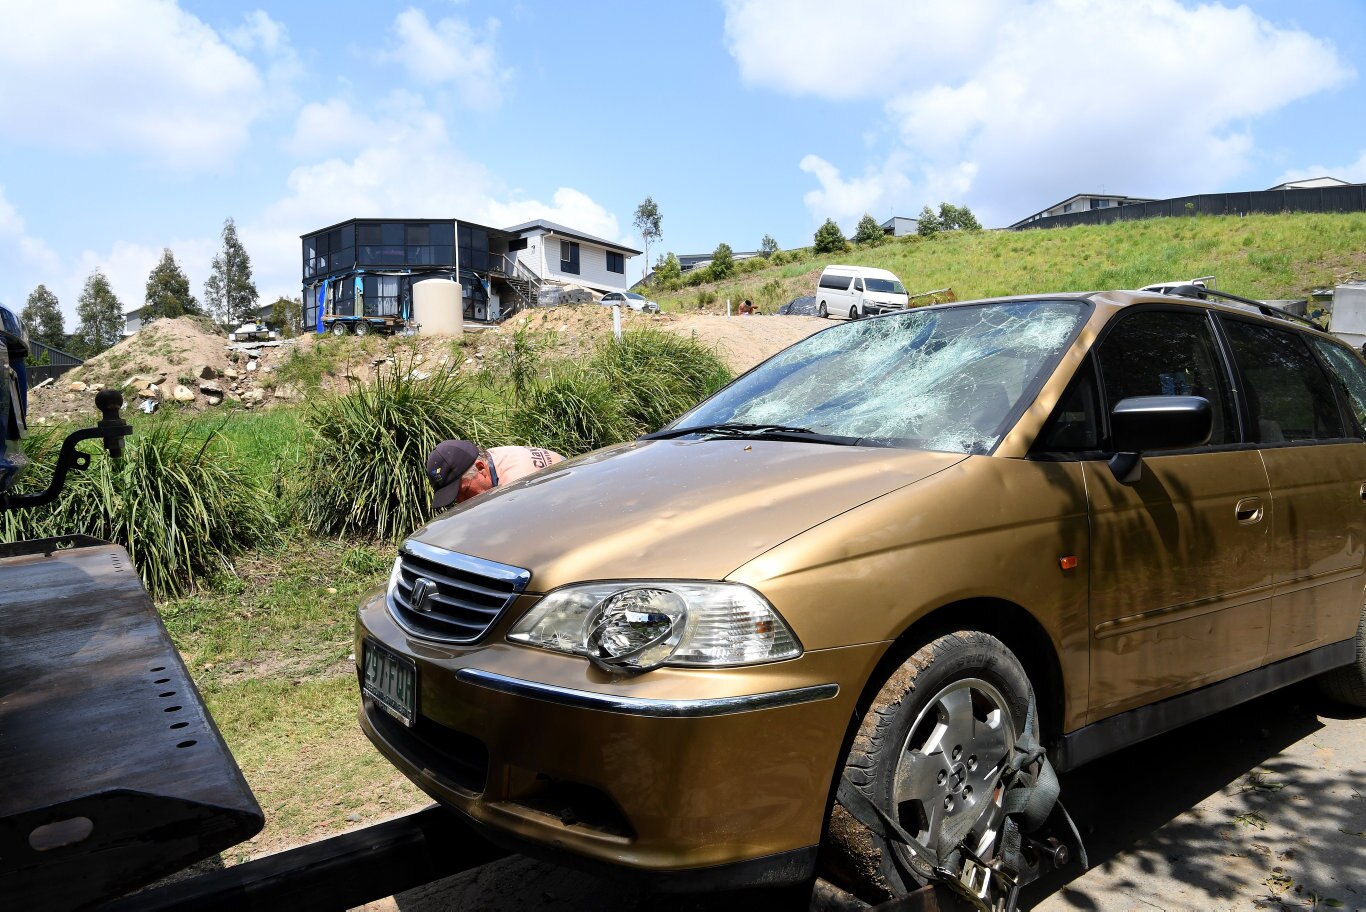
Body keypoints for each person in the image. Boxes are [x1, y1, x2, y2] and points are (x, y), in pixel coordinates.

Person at [426, 439, 565, 511]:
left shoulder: (516, 487)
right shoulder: (493, 456)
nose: (463, 502)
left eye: (465, 491)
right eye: (456, 498)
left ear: (481, 468)